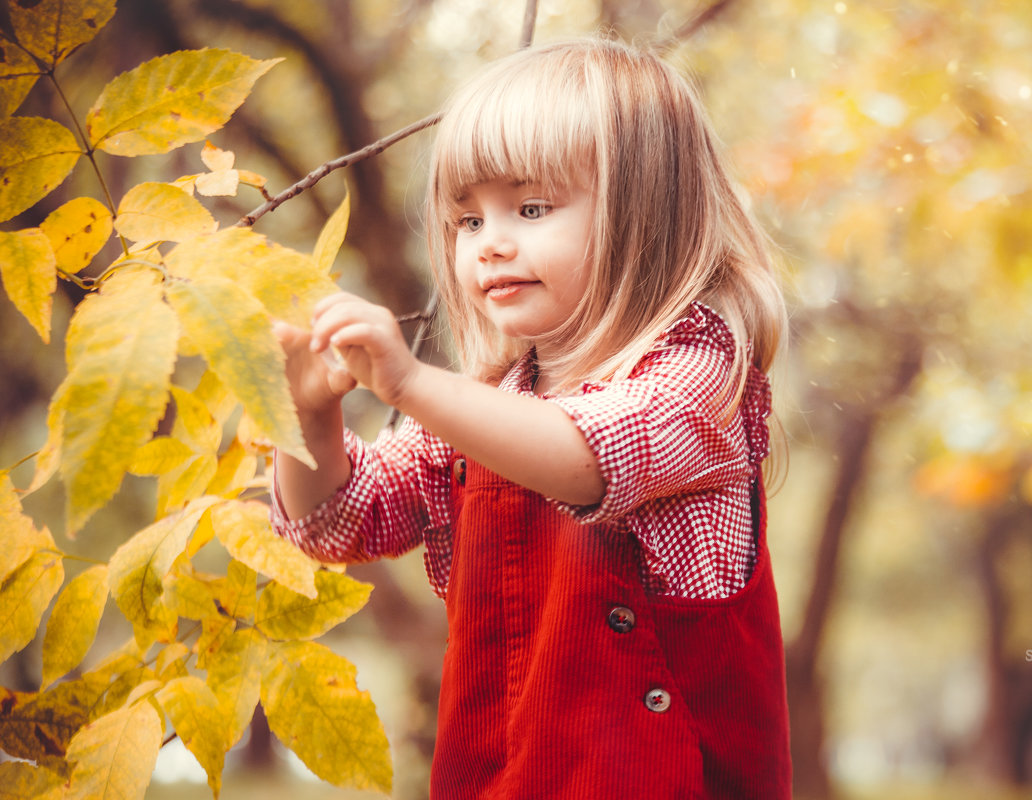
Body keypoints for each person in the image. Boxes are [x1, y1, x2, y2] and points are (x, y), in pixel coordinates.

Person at [271, 37, 792, 799]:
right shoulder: (489, 401)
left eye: (531, 207)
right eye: (467, 222)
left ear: (645, 214)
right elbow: (340, 522)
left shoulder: (698, 372)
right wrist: (306, 415)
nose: (490, 245)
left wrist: (412, 383)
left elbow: (591, 456)